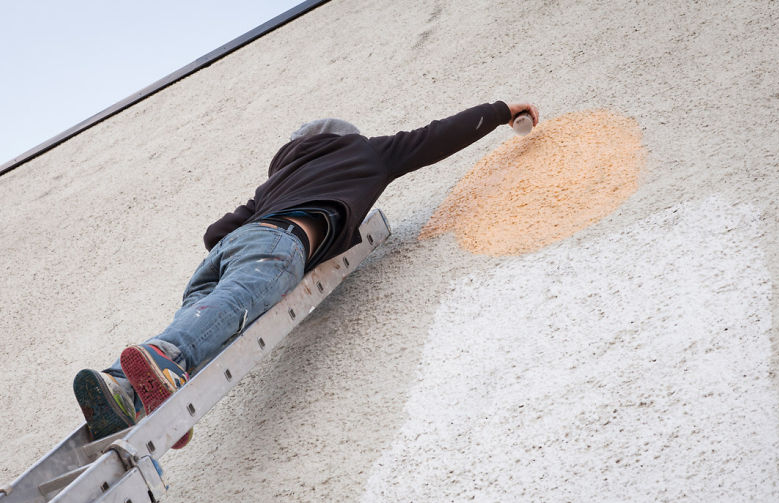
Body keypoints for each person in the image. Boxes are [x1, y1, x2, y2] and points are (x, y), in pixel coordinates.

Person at [74, 100, 540, 449]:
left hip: (227, 251)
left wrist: (255, 224)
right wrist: (501, 111)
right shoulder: (365, 154)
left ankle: (123, 389)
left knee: (197, 322)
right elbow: (436, 136)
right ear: (346, 137)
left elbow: (216, 232)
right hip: (278, 243)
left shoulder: (276, 179)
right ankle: (164, 357)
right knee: (217, 317)